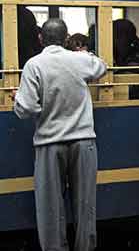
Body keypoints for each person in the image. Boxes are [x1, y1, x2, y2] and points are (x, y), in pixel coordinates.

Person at [13, 19, 107, 251]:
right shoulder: (81, 60)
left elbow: (25, 109)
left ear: (40, 39)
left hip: (49, 144)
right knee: (85, 205)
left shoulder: (34, 65)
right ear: (66, 39)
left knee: (50, 207)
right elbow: (101, 67)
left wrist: (23, 100)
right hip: (84, 141)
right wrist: (84, 52)